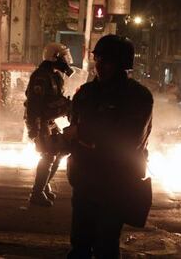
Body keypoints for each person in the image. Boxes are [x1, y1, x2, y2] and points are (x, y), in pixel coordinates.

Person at [66, 35, 153, 258]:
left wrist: (83, 134)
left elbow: (128, 140)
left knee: (106, 244)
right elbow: (73, 130)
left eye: (108, 60)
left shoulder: (138, 97)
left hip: (116, 183)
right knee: (80, 243)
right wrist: (59, 142)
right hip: (84, 180)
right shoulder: (85, 94)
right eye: (98, 58)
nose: (100, 65)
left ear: (122, 63)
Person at [24, 42, 74, 207]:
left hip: (49, 121)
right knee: (48, 155)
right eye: (63, 57)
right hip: (40, 121)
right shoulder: (41, 76)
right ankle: (36, 193)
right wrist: (34, 128)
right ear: (55, 57)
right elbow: (34, 104)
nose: (66, 61)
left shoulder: (55, 76)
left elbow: (55, 101)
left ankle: (43, 186)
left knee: (61, 150)